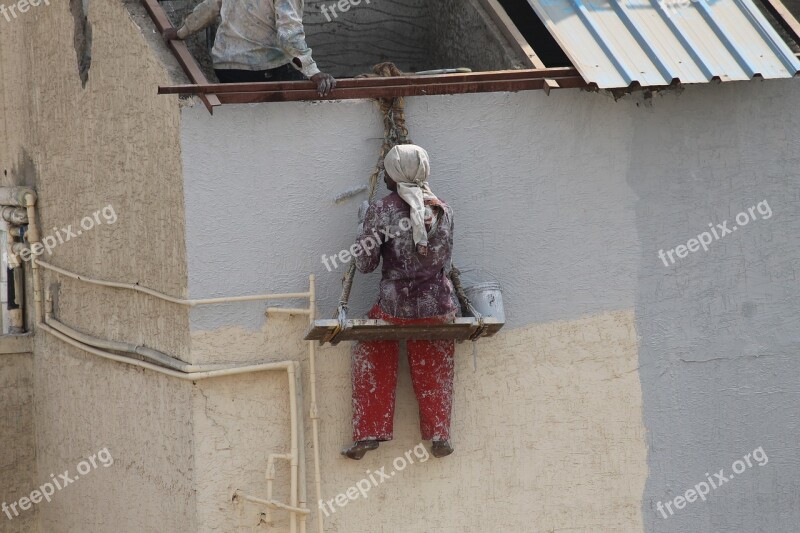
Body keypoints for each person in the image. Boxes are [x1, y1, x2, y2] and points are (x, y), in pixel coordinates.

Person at [343, 144, 458, 460]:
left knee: (372, 345)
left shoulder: (382, 210)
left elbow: (365, 264)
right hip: (440, 308)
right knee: (434, 354)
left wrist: (361, 222)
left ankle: (370, 430)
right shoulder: (444, 209)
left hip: (396, 309)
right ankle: (438, 433)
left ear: (393, 175)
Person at [162, 0, 336, 96]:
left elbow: (209, 8)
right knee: (305, 92)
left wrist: (181, 32)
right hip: (263, 71)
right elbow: (288, 34)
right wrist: (312, 71)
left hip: (226, 68)